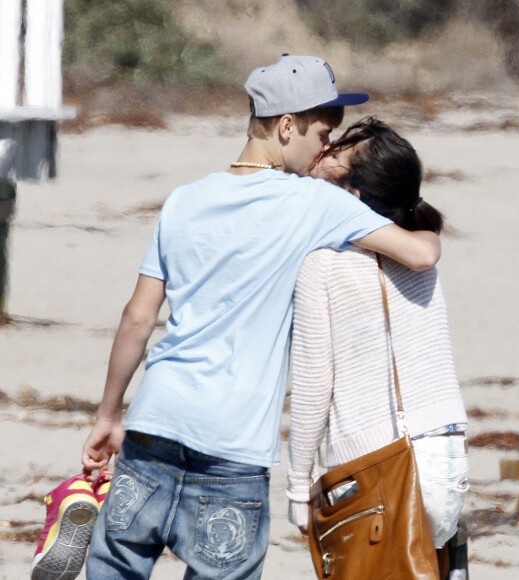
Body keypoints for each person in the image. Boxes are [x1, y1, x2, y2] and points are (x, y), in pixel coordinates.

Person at [74, 56, 441, 580]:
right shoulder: (314, 204)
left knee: (114, 568)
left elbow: (137, 319)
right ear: (287, 127)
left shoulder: (183, 200)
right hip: (232, 447)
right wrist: (430, 227)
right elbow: (420, 256)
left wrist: (109, 416)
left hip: (155, 422)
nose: (326, 149)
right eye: (322, 132)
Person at [287, 117, 469, 579]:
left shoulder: (324, 266)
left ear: (354, 199)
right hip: (444, 459)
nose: (326, 154)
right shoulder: (422, 255)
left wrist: (296, 485)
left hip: (377, 464)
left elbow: (313, 384)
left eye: (339, 155)